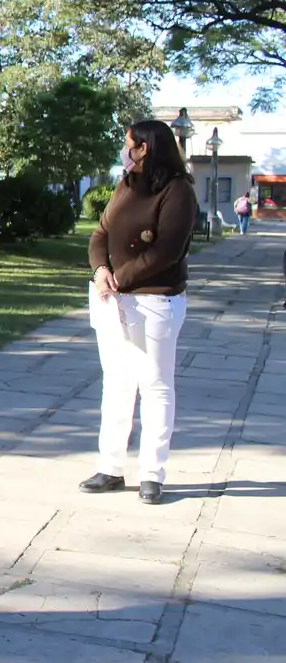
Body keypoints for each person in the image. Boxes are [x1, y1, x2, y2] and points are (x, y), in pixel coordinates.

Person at [84, 120, 198, 505]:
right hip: (111, 299)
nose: (123, 149)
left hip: (155, 302)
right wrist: (102, 272)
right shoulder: (126, 184)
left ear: (144, 148)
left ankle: (152, 474)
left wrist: (121, 277)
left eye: (127, 144)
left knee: (154, 385)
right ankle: (111, 467)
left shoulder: (177, 191)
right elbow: (100, 234)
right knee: (116, 384)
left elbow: (166, 250)